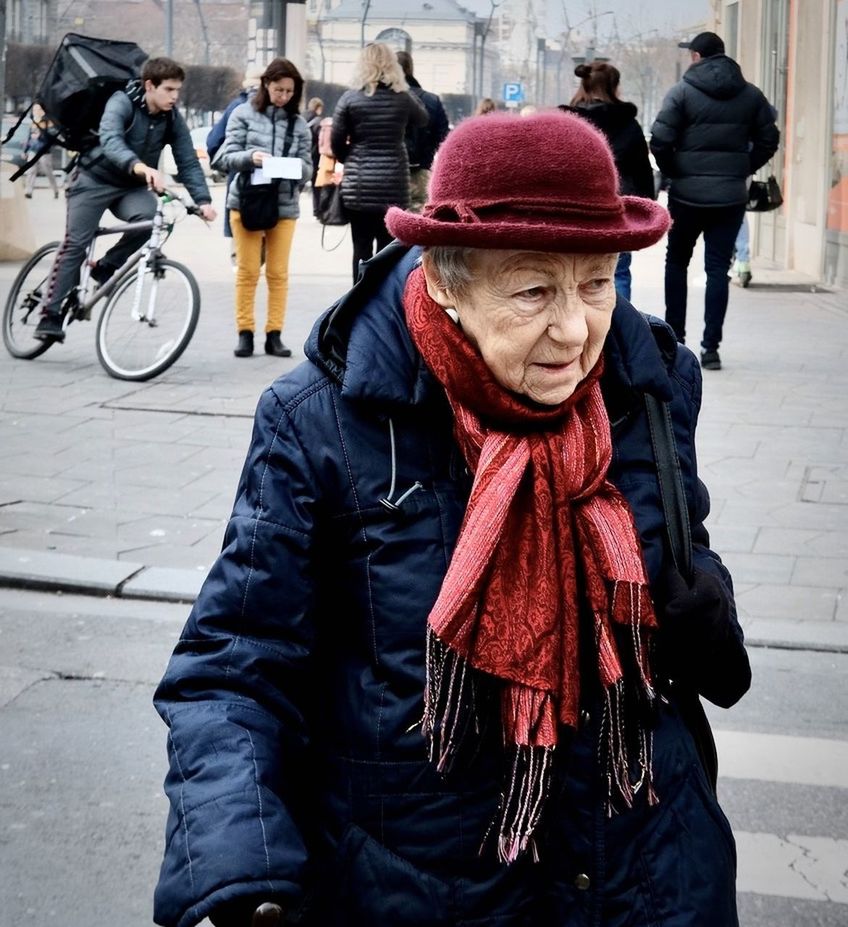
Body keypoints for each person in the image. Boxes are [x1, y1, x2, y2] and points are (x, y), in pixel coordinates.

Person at [153, 110, 751, 927]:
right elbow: (234, 663)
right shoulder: (323, 418)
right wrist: (240, 865)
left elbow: (685, 551)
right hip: (418, 886)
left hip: (645, 880)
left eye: (597, 282)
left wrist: (702, 604)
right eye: (535, 289)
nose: (575, 331)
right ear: (445, 281)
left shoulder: (647, 385)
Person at [33, 57, 216, 343]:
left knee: (151, 221)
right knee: (76, 244)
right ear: (149, 86)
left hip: (130, 188)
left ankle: (106, 266)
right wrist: (141, 167)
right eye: (168, 89)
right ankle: (50, 314)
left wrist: (203, 201)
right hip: (93, 181)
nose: (174, 96)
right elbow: (111, 140)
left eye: (177, 90)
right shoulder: (121, 102)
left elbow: (187, 160)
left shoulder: (171, 118)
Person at [650, 31, 779, 370]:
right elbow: (770, 139)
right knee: (718, 269)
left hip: (687, 197)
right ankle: (711, 349)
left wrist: (675, 171)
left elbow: (660, 140)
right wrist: (741, 168)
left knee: (676, 263)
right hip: (729, 198)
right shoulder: (751, 96)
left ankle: (674, 341)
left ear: (695, 57)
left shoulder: (681, 93)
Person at [213, 58, 312, 359]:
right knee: (247, 271)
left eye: (289, 91)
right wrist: (250, 158)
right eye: (279, 89)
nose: (283, 96)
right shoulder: (242, 114)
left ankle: (274, 335)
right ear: (266, 85)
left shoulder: (299, 125)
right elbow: (222, 158)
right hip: (246, 202)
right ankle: (245, 333)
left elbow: (309, 167)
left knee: (279, 273)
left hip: (283, 206)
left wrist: (295, 169)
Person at [331, 42, 428, 282]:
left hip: (359, 185)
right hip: (393, 183)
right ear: (392, 65)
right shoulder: (403, 98)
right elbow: (423, 118)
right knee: (387, 251)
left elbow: (335, 141)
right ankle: (380, 305)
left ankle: (356, 302)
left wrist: (351, 158)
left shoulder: (350, 98)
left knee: (360, 249)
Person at [561, 61, 656, 300]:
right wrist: (644, 208)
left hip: (573, 209)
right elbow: (642, 171)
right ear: (615, 87)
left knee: (569, 273)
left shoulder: (566, 122)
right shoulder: (628, 124)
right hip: (617, 208)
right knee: (619, 272)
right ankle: (618, 329)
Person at [206, 64, 265, 256]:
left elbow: (214, 140)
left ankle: (238, 256)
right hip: (267, 173)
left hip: (238, 170)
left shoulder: (235, 106)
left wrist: (223, 162)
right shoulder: (273, 107)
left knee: (238, 211)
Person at [396, 50, 449, 214]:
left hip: (389, 170)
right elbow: (443, 136)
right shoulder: (431, 100)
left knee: (386, 219)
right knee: (415, 219)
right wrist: (427, 155)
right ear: (411, 68)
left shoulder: (383, 97)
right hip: (420, 169)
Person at [23, 104, 60, 200]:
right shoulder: (33, 122)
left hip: (44, 152)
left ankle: (55, 190)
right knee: (30, 171)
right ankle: (28, 191)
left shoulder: (48, 122)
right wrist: (25, 150)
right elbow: (28, 137)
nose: (36, 111)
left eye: (38, 109)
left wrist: (41, 135)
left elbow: (52, 135)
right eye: (34, 109)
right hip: (33, 151)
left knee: (48, 172)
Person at [304, 96, 324, 216]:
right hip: (314, 155)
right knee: (316, 184)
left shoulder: (302, 117)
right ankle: (317, 210)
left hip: (302, 154)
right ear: (318, 108)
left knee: (299, 183)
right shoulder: (318, 121)